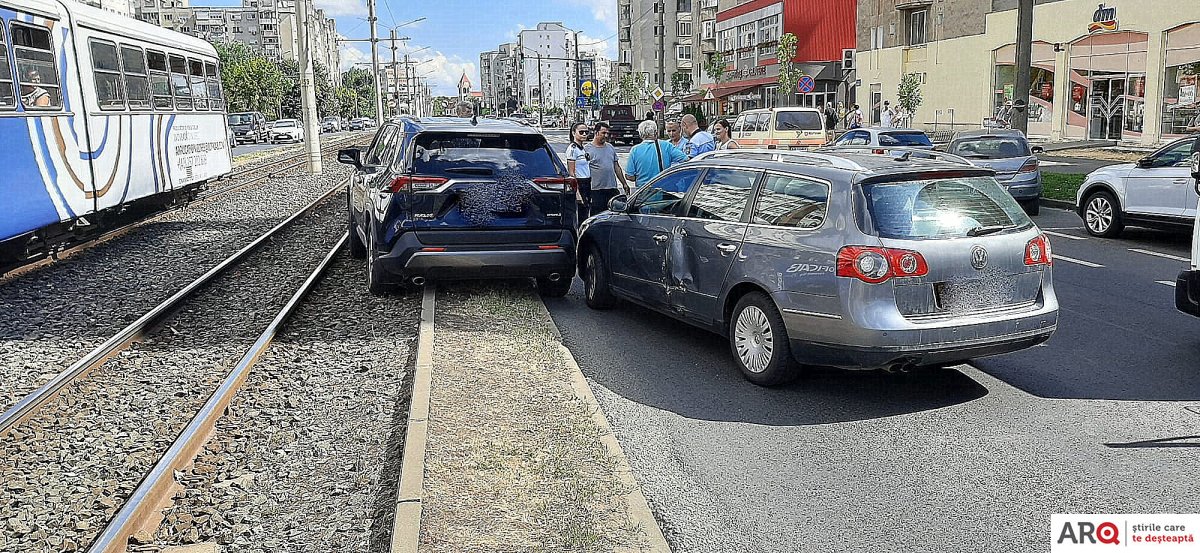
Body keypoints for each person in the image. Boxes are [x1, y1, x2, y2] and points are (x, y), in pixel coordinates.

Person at [584, 122, 630, 217]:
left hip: (611, 189)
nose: (606, 136)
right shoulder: (587, 149)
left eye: (607, 133)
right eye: (603, 133)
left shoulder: (610, 147)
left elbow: (616, 166)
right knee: (597, 216)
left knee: (613, 215)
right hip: (596, 190)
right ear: (596, 133)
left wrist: (624, 183)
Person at [625, 120, 687, 187]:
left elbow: (629, 176)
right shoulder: (666, 146)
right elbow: (686, 160)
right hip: (664, 189)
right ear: (656, 132)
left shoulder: (635, 150)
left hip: (643, 190)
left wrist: (641, 177)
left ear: (640, 134)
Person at [565, 122, 593, 225]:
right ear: (573, 133)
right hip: (580, 184)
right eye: (581, 132)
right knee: (581, 215)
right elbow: (571, 173)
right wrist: (577, 193)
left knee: (586, 213)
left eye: (586, 132)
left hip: (587, 183)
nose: (584, 134)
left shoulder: (582, 148)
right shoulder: (573, 149)